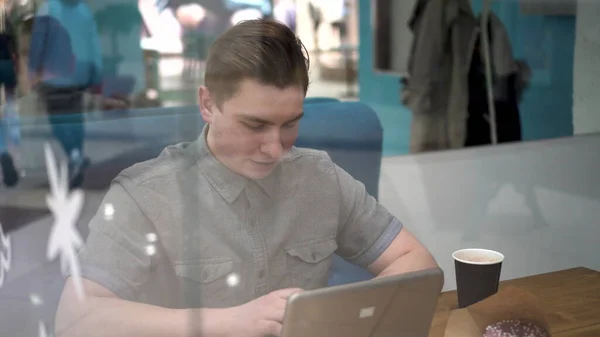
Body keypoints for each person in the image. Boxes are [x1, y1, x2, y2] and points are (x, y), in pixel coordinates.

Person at [55, 19, 438, 337]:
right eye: (255, 125)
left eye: (290, 124)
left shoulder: (320, 177)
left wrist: (339, 317)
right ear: (208, 105)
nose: (275, 148)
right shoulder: (145, 195)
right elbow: (76, 320)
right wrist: (231, 322)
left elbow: (416, 260)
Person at [28, 0, 102, 189]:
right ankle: (77, 153)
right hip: (79, 73)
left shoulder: (49, 8)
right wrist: (96, 70)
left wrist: (33, 70)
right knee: (75, 116)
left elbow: (38, 41)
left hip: (55, 75)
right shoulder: (84, 11)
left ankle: (74, 154)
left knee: (57, 121)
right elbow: (93, 41)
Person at [0, 0, 19, 187]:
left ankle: (3, 150)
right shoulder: (5, 19)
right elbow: (14, 46)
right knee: (11, 102)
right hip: (5, 64)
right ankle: (14, 133)